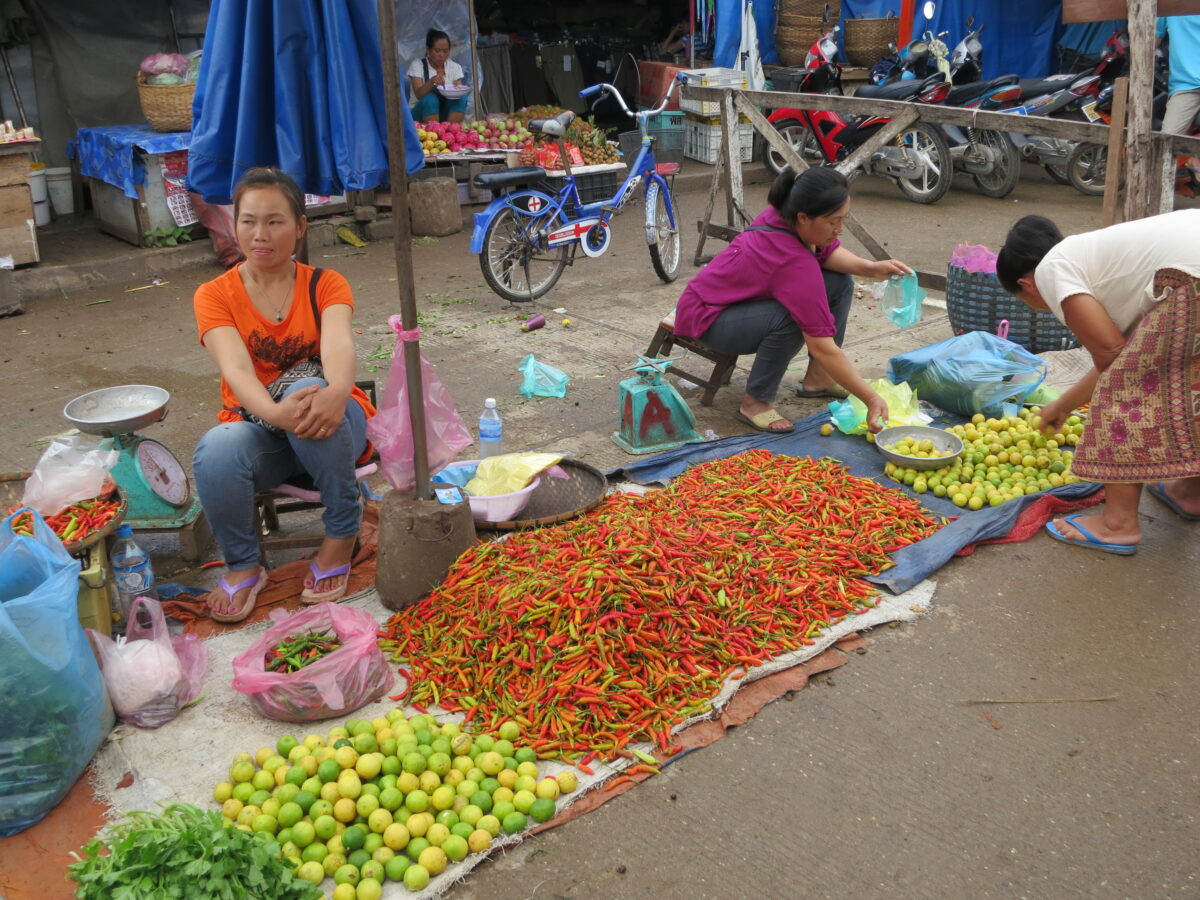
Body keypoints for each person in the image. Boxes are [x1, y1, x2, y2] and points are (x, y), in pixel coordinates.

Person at [192, 168, 376, 622]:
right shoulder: (214, 295)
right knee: (216, 448)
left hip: (334, 421)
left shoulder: (325, 283)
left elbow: (337, 344)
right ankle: (244, 565)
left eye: (274, 221)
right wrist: (277, 415)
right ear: (233, 224)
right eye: (248, 221)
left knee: (307, 390)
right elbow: (236, 371)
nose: (260, 234)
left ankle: (340, 530)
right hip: (265, 428)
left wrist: (334, 391)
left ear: (300, 226)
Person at [996, 209, 1200, 555]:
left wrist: (1064, 405)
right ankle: (1191, 492)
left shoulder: (1051, 269)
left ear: (1025, 284)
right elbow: (1124, 355)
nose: (1039, 307)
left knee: (1127, 392)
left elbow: (1113, 359)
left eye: (1027, 303)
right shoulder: (1093, 259)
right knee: (1188, 379)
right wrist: (1062, 406)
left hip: (1188, 277)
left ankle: (1116, 525)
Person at [672, 168, 911, 433]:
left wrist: (870, 268)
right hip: (708, 317)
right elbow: (822, 346)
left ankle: (819, 379)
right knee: (791, 316)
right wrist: (872, 398)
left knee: (840, 281)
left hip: (732, 302)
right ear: (803, 218)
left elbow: (827, 252)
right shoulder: (793, 262)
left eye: (843, 220)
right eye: (833, 222)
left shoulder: (786, 214)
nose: (839, 230)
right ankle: (755, 403)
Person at [1156, 15, 1200, 189]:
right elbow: (1152, 39)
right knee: (1167, 140)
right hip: (1185, 85)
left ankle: (1196, 158)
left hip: (1184, 84)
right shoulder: (1169, 5)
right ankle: (1157, 201)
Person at [407, 29, 467, 124]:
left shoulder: (455, 67)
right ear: (428, 50)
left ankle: (452, 132)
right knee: (431, 99)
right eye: (437, 51)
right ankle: (433, 134)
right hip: (419, 114)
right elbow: (418, 94)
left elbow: (458, 89)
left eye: (445, 51)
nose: (442, 55)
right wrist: (431, 82)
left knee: (461, 99)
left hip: (443, 112)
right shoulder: (417, 65)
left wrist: (457, 88)